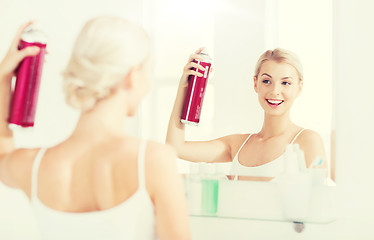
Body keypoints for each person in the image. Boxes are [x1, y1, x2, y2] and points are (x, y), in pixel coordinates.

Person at [0, 17, 190, 240]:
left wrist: (3, 79)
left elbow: (3, 156)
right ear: (132, 75)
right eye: (147, 72)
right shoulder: (154, 160)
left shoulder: (33, 166)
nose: (148, 85)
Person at [166, 47, 327, 179]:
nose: (275, 91)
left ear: (299, 87)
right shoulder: (238, 145)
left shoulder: (308, 141)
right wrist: (185, 89)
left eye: (285, 83)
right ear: (255, 84)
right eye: (266, 81)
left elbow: (322, 202)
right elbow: (175, 147)